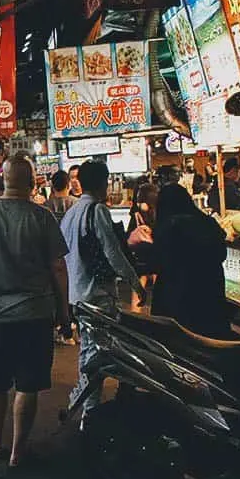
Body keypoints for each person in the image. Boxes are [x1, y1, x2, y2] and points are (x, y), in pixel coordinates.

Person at [0, 155, 69, 467]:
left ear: (3, 179)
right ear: (33, 182)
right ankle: (18, 450)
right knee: (28, 384)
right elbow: (58, 267)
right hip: (36, 313)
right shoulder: (42, 216)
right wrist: (64, 312)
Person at [59, 161, 146, 418]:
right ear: (102, 182)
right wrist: (134, 281)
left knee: (90, 349)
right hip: (97, 295)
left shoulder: (72, 213)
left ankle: (90, 409)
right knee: (102, 353)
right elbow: (112, 252)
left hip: (78, 294)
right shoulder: (96, 211)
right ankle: (91, 411)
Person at [152, 184, 232, 339]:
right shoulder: (207, 223)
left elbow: (160, 262)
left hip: (177, 300)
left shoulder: (167, 227)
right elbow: (222, 254)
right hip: (210, 295)